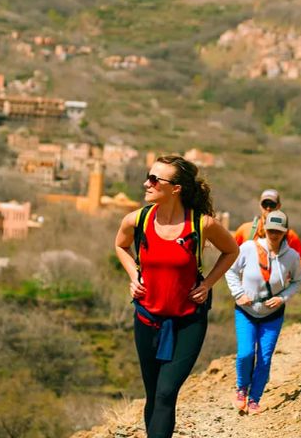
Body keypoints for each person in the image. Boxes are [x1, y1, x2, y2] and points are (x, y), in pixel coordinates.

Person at [115, 155, 239, 438]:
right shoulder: (138, 220)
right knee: (154, 393)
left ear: (176, 188)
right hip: (147, 319)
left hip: (188, 321)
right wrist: (134, 277)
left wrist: (208, 283)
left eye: (155, 179)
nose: (147, 183)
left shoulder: (201, 225)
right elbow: (120, 246)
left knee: (167, 392)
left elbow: (232, 250)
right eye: (149, 176)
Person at [225, 210, 301, 414]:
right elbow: (230, 270)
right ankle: (242, 388)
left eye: (278, 231)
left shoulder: (292, 256)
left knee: (264, 358)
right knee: (245, 353)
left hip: (272, 315)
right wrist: (238, 293)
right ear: (264, 229)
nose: (274, 234)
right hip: (246, 310)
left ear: (285, 232)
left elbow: (297, 281)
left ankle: (254, 399)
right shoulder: (248, 248)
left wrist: (282, 297)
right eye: (270, 230)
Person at [233, 189, 301, 269]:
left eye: (272, 204)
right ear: (260, 205)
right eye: (265, 204)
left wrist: (289, 273)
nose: (268, 208)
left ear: (279, 206)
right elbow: (231, 253)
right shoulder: (245, 229)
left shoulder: (288, 234)